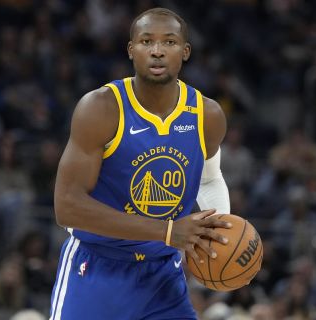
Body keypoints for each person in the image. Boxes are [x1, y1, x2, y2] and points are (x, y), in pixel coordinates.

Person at [50, 7, 231, 320]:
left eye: (169, 42)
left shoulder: (207, 115)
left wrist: (219, 243)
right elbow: (67, 207)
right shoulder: (102, 108)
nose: (158, 51)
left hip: (162, 276)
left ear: (185, 52)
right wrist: (167, 231)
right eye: (147, 42)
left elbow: (209, 180)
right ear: (131, 50)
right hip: (97, 269)